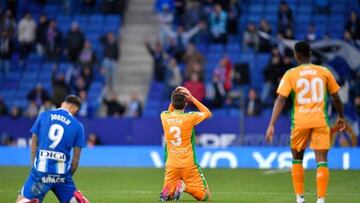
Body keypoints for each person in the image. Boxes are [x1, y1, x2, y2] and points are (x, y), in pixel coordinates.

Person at [265, 41, 345, 203]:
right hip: (320, 120)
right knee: (321, 159)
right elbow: (336, 96)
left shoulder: (291, 74)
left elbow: (280, 100)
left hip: (300, 122)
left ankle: (300, 198)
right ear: (310, 54)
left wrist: (271, 124)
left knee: (297, 157)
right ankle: (321, 199)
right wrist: (341, 116)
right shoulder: (324, 71)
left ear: (296, 55)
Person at [16, 95, 89, 203]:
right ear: (76, 109)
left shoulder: (43, 116)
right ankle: (74, 200)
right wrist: (64, 177)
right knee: (72, 197)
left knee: (22, 199)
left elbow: (34, 144)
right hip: (61, 174)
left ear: (62, 104)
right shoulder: (78, 126)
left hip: (41, 172)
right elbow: (75, 160)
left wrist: (35, 167)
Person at [160, 86, 211, 201]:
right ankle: (184, 187)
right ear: (186, 104)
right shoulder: (190, 117)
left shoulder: (164, 116)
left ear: (172, 101)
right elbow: (207, 113)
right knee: (206, 195)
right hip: (188, 164)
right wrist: (192, 98)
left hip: (171, 164)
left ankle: (168, 191)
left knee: (170, 196)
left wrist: (175, 95)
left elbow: (170, 110)